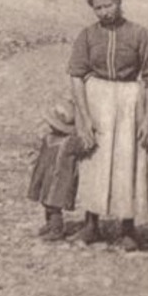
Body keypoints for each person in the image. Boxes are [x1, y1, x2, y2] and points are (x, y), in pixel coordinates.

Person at [68, 0, 148, 250]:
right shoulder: (87, 36)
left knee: (128, 161)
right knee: (94, 161)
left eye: (108, 5)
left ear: (119, 3)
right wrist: (84, 119)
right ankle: (91, 224)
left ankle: (128, 228)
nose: (103, 12)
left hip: (129, 102)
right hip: (97, 99)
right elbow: (76, 76)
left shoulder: (140, 35)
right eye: (97, 8)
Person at [27, 97, 87, 240]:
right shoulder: (48, 138)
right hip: (46, 176)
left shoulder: (70, 142)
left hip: (60, 180)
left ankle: (57, 229)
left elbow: (84, 146)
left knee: (54, 205)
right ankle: (49, 224)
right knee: (46, 202)